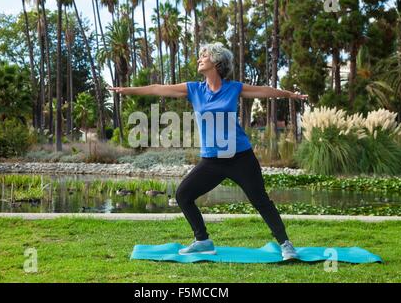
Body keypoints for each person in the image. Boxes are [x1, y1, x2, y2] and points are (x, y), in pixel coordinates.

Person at [109, 42, 308, 260]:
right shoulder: (194, 89)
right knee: (183, 195)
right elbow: (159, 88)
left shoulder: (234, 88)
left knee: (260, 201)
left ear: (216, 62)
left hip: (240, 157)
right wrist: (127, 90)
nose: (199, 59)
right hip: (212, 160)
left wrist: (290, 95)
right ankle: (203, 241)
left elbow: (265, 91)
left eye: (204, 56)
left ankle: (286, 245)